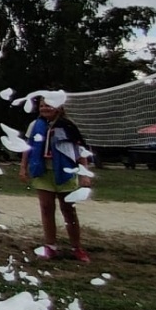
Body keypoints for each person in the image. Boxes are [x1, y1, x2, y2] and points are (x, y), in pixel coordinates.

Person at [20, 94, 93, 262]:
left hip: (65, 171)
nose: (44, 108)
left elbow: (80, 150)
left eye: (49, 105)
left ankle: (77, 247)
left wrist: (84, 173)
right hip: (43, 172)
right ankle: (50, 246)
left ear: (59, 107)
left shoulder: (68, 126)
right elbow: (27, 148)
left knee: (68, 210)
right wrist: (23, 168)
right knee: (46, 208)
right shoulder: (35, 125)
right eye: (42, 105)